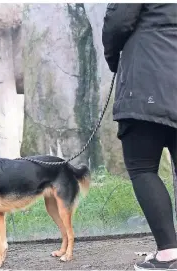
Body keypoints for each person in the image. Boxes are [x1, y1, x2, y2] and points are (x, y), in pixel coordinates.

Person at [102, 3, 177, 271]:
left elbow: (119, 21)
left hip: (147, 79)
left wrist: (115, 60)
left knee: (143, 167)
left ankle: (169, 254)